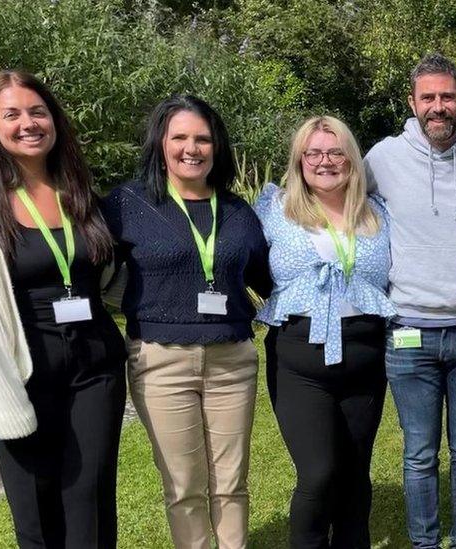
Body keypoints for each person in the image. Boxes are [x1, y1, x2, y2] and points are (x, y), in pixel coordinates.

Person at [0, 70, 126, 547]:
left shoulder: (79, 193)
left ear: (54, 120)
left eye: (38, 111)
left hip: (95, 366)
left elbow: (110, 271)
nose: (28, 123)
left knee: (89, 499)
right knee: (35, 511)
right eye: (11, 114)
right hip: (20, 369)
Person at [362, 52, 456, 549]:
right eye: (427, 97)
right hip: (409, 329)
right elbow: (334, 200)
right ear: (412, 102)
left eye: (447, 96)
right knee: (419, 452)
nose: (438, 106)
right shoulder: (381, 159)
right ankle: (425, 543)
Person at [103, 95, 270, 549]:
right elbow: (86, 264)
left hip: (233, 362)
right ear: (160, 143)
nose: (191, 148)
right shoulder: (125, 204)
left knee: (231, 482)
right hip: (161, 363)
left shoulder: (238, 212)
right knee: (183, 488)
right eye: (179, 137)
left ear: (217, 146)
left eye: (202, 138)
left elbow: (267, 278)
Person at [255, 115, 395, 548]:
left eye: (335, 152)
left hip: (365, 359)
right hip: (301, 358)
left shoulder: (378, 214)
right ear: (299, 160)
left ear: (351, 159)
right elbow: (239, 259)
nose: (325, 161)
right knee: (318, 474)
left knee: (355, 475)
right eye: (313, 152)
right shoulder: (274, 209)